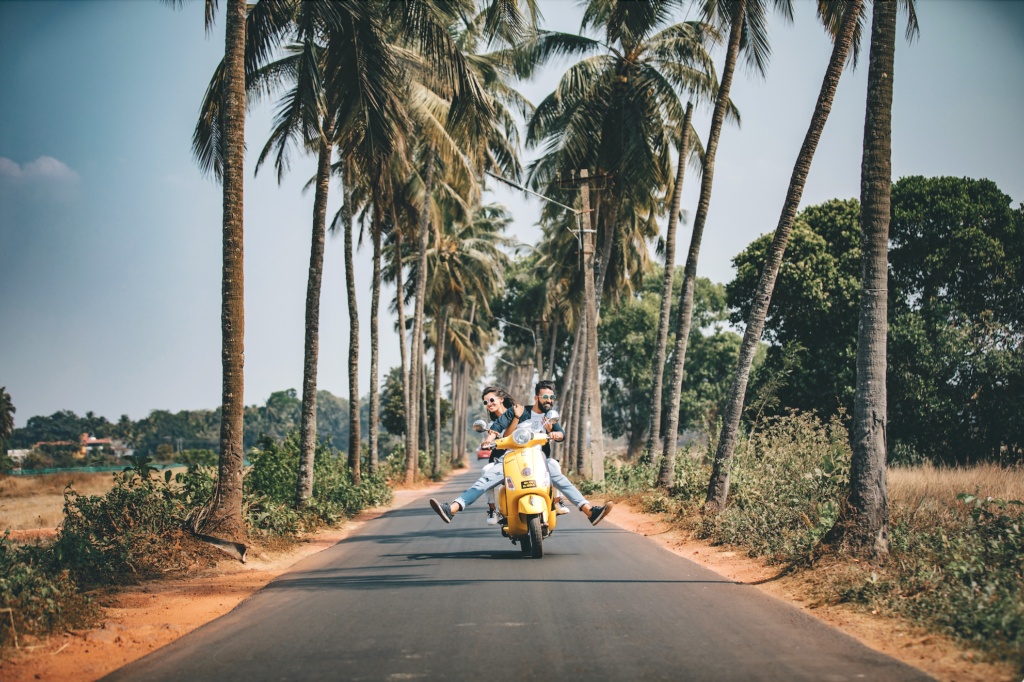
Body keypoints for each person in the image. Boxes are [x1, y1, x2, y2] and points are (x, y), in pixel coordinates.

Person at [429, 381, 613, 526]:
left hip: (538, 459)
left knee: (560, 476)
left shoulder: (549, 417)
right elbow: (496, 428)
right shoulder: (517, 411)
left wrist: (556, 434)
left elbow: (561, 433)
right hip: (510, 459)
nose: (548, 400)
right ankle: (452, 508)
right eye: (545, 397)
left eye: (551, 397)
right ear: (536, 398)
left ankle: (589, 511)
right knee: (484, 480)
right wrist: (488, 440)